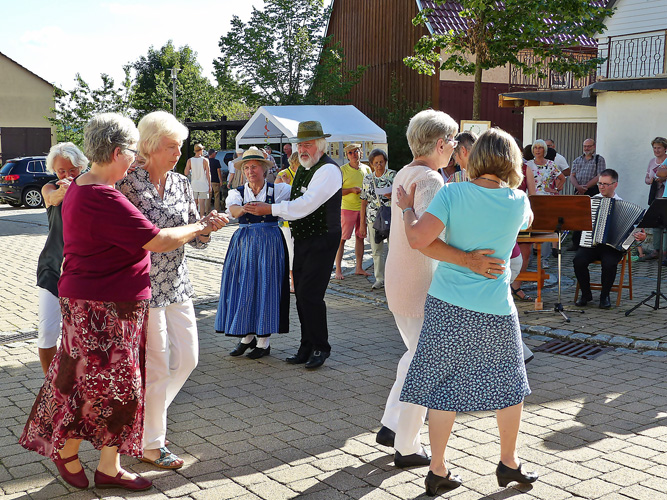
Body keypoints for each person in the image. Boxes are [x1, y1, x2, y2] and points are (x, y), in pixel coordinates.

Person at [20, 113, 221, 491]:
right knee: (99, 387)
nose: (135, 161)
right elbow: (159, 239)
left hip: (113, 306)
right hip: (102, 308)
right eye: (131, 153)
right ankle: (72, 451)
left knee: (114, 388)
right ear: (116, 152)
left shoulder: (83, 185)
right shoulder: (101, 195)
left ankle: (107, 465)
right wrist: (201, 226)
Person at [396, 127, 537, 495]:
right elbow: (525, 224)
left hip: (448, 304)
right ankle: (508, 463)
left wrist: (408, 208)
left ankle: (438, 470)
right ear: (512, 160)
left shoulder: (453, 193)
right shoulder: (518, 201)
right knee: (509, 387)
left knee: (444, 388)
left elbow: (417, 239)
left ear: (474, 159)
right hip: (496, 308)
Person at [375, 110, 505, 471]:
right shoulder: (431, 180)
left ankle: (391, 425)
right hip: (421, 285)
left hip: (402, 280)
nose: (455, 147)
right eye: (452, 140)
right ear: (440, 143)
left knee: (414, 357)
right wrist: (470, 260)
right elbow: (426, 240)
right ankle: (407, 446)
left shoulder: (406, 171)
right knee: (425, 368)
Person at [117, 111, 227, 470]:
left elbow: (196, 239)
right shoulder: (128, 183)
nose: (178, 152)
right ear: (149, 147)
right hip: (143, 288)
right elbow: (145, 239)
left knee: (189, 359)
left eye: (180, 146)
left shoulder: (180, 183)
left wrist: (207, 228)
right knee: (159, 367)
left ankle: (145, 421)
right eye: (171, 146)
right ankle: (152, 443)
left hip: (179, 284)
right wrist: (194, 228)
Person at [244, 121, 342, 369]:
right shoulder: (306, 167)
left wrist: (270, 209)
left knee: (311, 293)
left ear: (320, 144)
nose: (302, 149)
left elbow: (306, 204)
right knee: (301, 293)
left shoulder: (328, 170)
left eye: (307, 144)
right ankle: (306, 345)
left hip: (322, 238)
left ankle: (321, 347)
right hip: (305, 238)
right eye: (300, 144)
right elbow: (293, 195)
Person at [215, 147, 291, 358]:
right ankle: (247, 337)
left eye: (254, 167)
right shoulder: (237, 193)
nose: (250, 171)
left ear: (264, 169)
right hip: (244, 242)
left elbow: (299, 204)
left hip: (270, 242)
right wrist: (245, 209)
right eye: (246, 167)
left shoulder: (280, 190)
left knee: (267, 286)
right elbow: (233, 211)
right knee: (244, 286)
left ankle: (264, 342)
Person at [36, 143, 88, 375]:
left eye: (72, 170)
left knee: (81, 332)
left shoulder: (91, 188)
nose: (67, 175)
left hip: (84, 272)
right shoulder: (49, 187)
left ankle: (79, 383)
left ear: (82, 166)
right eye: (61, 171)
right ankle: (50, 385)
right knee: (47, 331)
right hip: (52, 267)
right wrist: (62, 190)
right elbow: (52, 197)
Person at [573, 169, 628, 309]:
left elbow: (632, 230)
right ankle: (586, 294)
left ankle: (605, 296)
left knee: (609, 263)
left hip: (612, 247)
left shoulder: (622, 204)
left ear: (615, 185)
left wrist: (640, 235)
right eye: (600, 183)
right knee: (578, 260)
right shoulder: (592, 201)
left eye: (606, 184)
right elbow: (580, 223)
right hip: (591, 243)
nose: (602, 187)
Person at [333, 143, 372, 280]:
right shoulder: (342, 170)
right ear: (346, 155)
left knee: (360, 237)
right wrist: (351, 190)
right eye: (350, 153)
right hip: (347, 209)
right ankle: (338, 269)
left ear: (361, 152)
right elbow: (336, 191)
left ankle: (359, 267)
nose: (354, 154)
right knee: (342, 239)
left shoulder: (366, 169)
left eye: (356, 151)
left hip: (363, 209)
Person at [359, 149, 396, 289]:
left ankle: (393, 278)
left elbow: (402, 195)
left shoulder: (393, 175)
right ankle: (379, 279)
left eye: (381, 162)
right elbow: (363, 200)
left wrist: (392, 195)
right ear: (371, 164)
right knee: (376, 250)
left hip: (391, 216)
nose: (379, 165)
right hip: (374, 218)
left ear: (385, 162)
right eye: (376, 163)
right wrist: (362, 223)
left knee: (393, 249)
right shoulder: (368, 178)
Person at [527, 139, 565, 268]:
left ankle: (545, 258)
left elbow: (562, 178)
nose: (537, 150)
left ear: (544, 150)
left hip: (547, 199)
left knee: (546, 229)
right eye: (535, 147)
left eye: (540, 147)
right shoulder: (528, 165)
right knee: (531, 227)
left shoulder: (551, 164)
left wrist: (555, 189)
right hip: (531, 199)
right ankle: (531, 256)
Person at [569, 139, 607, 250]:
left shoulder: (599, 160)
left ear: (594, 146)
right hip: (578, 190)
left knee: (591, 217)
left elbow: (600, 175)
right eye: (585, 146)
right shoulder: (577, 160)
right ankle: (576, 242)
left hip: (592, 190)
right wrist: (578, 187)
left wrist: (585, 187)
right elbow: (572, 175)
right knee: (577, 217)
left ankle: (590, 242)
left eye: (589, 146)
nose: (586, 148)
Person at [275, 151, 300, 292]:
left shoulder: (303, 173)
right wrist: (286, 184)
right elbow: (276, 197)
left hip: (299, 219)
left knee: (297, 252)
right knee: (290, 253)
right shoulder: (283, 174)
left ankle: (297, 280)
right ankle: (292, 282)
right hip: (285, 222)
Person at [644, 137, 667, 261]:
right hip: (655, 196)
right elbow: (646, 179)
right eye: (654, 148)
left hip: (665, 194)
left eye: (659, 148)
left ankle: (665, 252)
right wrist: (651, 180)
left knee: (666, 224)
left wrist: (663, 178)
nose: (656, 150)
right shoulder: (652, 162)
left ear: (665, 149)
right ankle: (656, 250)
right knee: (656, 223)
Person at [184, 144, 211, 217]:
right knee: (202, 203)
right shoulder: (205, 160)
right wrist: (210, 185)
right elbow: (208, 174)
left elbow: (186, 172)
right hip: (203, 183)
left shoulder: (190, 160)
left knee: (194, 202)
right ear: (201, 150)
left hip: (194, 184)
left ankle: (194, 217)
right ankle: (201, 217)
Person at [208, 148, 223, 213]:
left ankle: (207, 210)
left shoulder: (206, 161)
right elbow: (218, 171)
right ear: (213, 154)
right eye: (215, 153)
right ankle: (217, 210)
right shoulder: (216, 161)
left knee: (209, 196)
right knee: (217, 195)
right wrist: (221, 180)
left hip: (208, 181)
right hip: (215, 180)